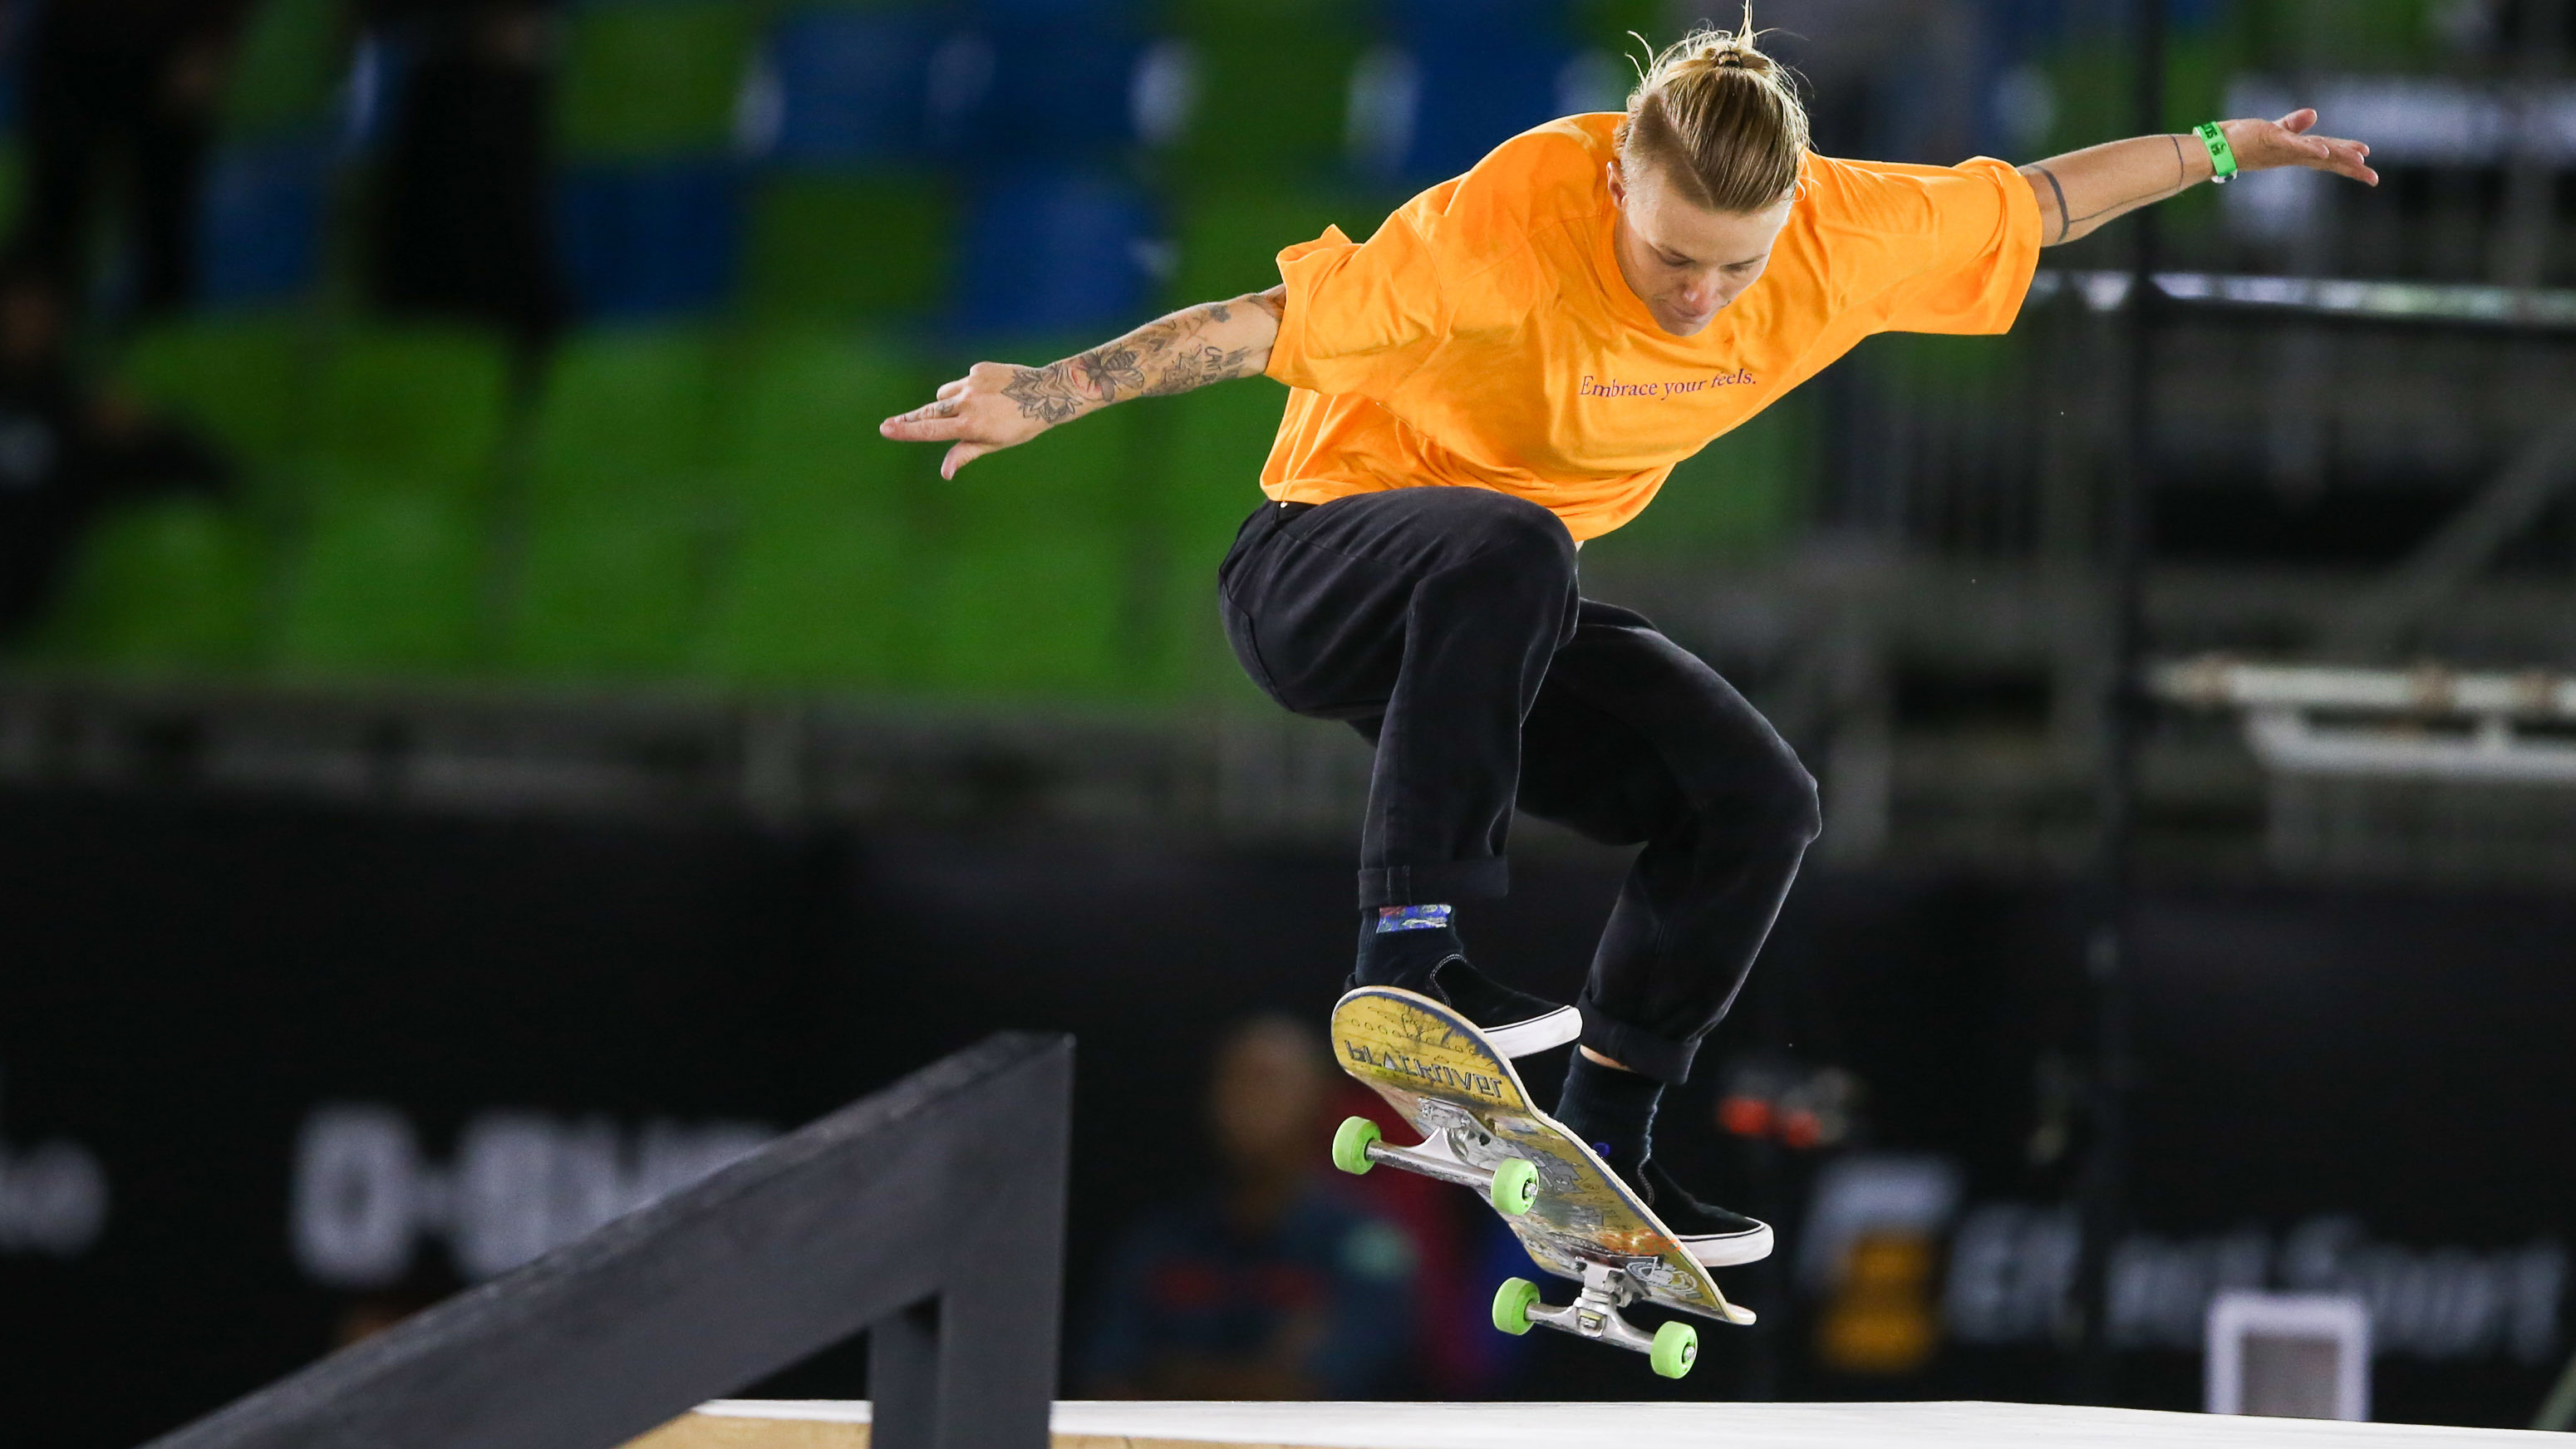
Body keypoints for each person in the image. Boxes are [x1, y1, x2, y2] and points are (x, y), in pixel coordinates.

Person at [883, 11, 2377, 1264]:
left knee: (1757, 800)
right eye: (1672, 257)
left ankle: (1607, 1151)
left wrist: (2230, 148)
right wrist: (1052, 391)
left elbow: (2039, 201)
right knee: (1512, 533)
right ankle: (1410, 947)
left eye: (1738, 265)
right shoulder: (1512, 218)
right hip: (1320, 571)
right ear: (1617, 186)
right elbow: (1262, 325)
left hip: (1495, 628)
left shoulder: (1843, 233)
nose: (1703, 295)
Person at [1081, 1016, 1415, 1399]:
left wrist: (1174, 1377)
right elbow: (1105, 1380)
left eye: (1267, 1082)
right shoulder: (1159, 1240)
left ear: (1319, 1098)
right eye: (1232, 1081)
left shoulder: (1366, 1243)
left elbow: (1323, 1384)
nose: (1245, 1102)